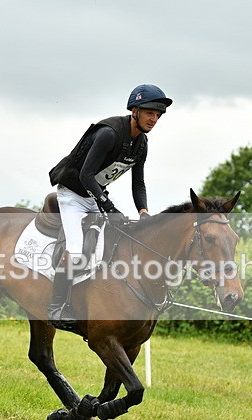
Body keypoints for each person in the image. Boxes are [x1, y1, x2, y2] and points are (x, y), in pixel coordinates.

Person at [46, 84, 173, 327]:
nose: (154, 119)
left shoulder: (141, 143)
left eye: (158, 115)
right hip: (72, 195)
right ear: (134, 111)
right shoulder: (110, 134)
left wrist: (144, 212)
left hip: (94, 196)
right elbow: (85, 175)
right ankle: (56, 307)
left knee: (118, 241)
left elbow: (139, 184)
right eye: (149, 113)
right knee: (75, 251)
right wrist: (109, 207)